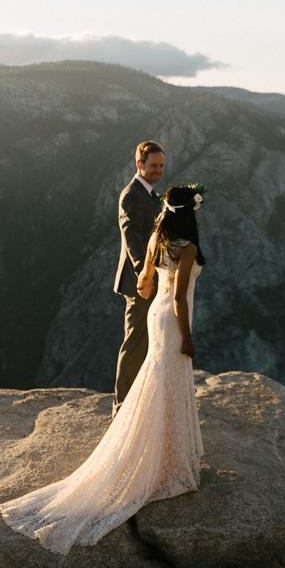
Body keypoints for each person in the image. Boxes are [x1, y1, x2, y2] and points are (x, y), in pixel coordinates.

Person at [0, 183, 207, 555]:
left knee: (156, 382)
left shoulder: (157, 238)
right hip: (174, 321)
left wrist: (154, 290)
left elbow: (143, 283)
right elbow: (179, 297)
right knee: (170, 384)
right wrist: (188, 337)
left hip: (155, 318)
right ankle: (168, 461)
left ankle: (158, 453)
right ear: (191, 213)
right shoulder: (187, 248)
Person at [112, 140, 166, 419]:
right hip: (140, 282)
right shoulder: (132, 195)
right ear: (139, 165)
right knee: (134, 343)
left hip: (154, 278)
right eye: (153, 165)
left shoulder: (151, 195)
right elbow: (131, 237)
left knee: (147, 341)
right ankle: (121, 408)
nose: (158, 170)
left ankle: (139, 403)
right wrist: (143, 275)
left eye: (161, 166)